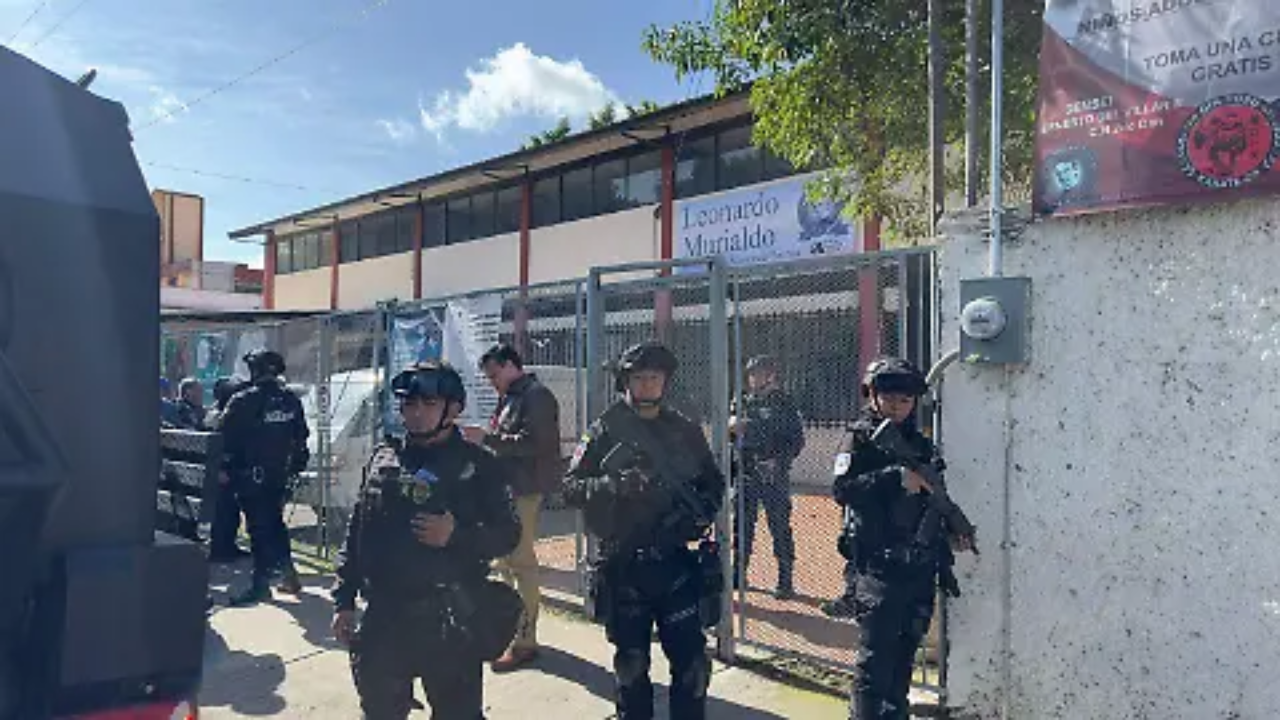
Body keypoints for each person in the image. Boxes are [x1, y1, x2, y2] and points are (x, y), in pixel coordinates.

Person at [331, 361, 522, 720]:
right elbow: (357, 533)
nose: (416, 414)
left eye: (429, 404)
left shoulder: (479, 466)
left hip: (447, 622)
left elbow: (508, 535)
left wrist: (457, 536)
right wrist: (343, 599)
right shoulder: (383, 458)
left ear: (452, 408)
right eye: (409, 405)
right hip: (383, 619)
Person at [564, 342, 726, 720]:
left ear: (666, 382)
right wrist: (614, 485)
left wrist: (695, 517)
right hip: (624, 566)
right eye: (639, 378)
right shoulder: (605, 428)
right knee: (631, 666)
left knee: (691, 668)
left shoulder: (684, 430)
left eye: (655, 378)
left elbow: (714, 484)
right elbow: (570, 487)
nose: (648, 385)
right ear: (626, 381)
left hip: (674, 564)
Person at [828, 357, 976, 719]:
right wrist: (894, 477)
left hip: (917, 570)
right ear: (872, 396)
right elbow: (842, 489)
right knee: (874, 664)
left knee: (904, 658)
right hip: (878, 569)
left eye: (905, 400)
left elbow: (933, 501)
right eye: (889, 398)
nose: (896, 406)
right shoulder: (860, 438)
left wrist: (953, 530)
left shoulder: (921, 447)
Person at [462, 343, 562, 672]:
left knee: (520, 563)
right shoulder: (513, 396)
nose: (492, 381)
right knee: (506, 562)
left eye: (493, 374)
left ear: (510, 365)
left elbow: (539, 444)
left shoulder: (536, 396)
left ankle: (525, 642)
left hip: (524, 489)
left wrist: (487, 439)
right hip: (506, 488)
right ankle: (510, 631)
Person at [220, 350, 310, 605]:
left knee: (258, 529)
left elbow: (224, 435)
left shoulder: (243, 400)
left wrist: (224, 467)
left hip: (251, 476)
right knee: (276, 524)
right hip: (280, 474)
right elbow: (301, 437)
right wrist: (294, 469)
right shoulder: (290, 400)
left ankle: (260, 585)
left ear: (255, 370)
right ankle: (288, 573)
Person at [729, 354, 804, 600]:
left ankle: (785, 579)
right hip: (746, 472)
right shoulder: (741, 401)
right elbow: (731, 435)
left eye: (759, 372)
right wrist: (732, 429)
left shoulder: (784, 403)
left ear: (771, 375)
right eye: (751, 373)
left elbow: (796, 441)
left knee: (779, 526)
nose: (754, 377)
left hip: (772, 474)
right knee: (742, 526)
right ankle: (739, 573)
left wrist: (778, 461)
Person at [207, 376, 250, 563]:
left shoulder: (226, 412)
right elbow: (218, 447)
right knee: (225, 509)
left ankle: (228, 545)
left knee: (231, 509)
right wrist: (220, 469)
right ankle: (221, 548)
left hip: (228, 468)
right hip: (220, 470)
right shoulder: (218, 415)